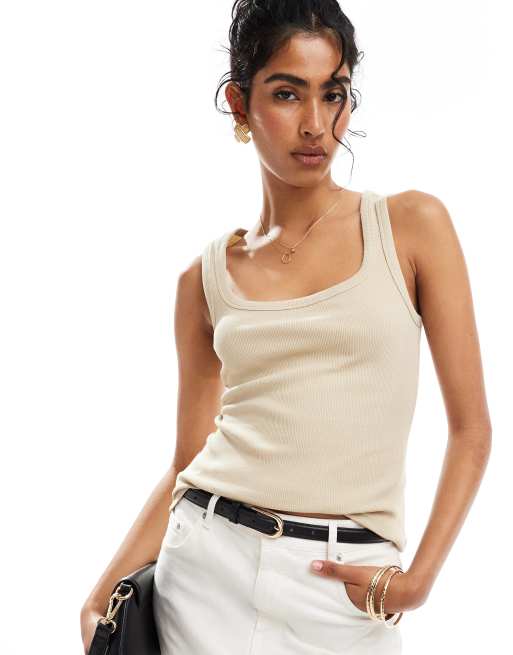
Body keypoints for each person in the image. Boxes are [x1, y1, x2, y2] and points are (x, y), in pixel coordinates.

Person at [81, 1, 492, 653]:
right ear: (239, 105)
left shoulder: (411, 227)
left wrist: (415, 583)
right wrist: (101, 594)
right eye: (286, 93)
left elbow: (471, 429)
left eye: (333, 94)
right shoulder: (204, 280)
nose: (315, 125)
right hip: (204, 571)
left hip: (344, 588)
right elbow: (187, 460)